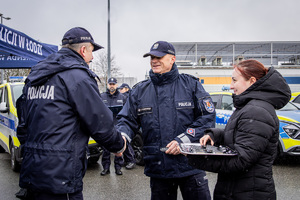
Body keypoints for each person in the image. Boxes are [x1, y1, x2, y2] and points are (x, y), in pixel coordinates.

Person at [16, 27, 126, 200]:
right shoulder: (77, 77)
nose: (92, 57)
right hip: (61, 177)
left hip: (32, 172)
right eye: (91, 51)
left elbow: (23, 125)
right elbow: (99, 122)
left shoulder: (36, 75)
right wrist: (119, 145)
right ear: (83, 50)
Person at [117, 41, 215, 200]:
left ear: (172, 59)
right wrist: (122, 137)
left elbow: (207, 117)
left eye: (159, 57)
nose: (154, 60)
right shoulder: (140, 90)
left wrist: (183, 140)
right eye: (151, 57)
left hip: (191, 166)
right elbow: (127, 120)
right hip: (159, 168)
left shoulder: (191, 85)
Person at [187, 60, 291, 200]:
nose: (230, 86)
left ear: (252, 81)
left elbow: (241, 160)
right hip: (240, 190)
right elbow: (240, 137)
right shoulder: (249, 106)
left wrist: (195, 157)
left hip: (248, 193)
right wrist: (215, 135)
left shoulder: (256, 111)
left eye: (235, 80)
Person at [100, 77, 128, 175]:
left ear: (116, 85)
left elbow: (126, 112)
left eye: (113, 84)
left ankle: (118, 168)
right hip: (106, 126)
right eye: (110, 84)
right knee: (106, 149)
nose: (112, 85)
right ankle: (106, 168)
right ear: (108, 85)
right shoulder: (102, 96)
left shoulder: (122, 97)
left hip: (118, 125)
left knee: (118, 147)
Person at [118, 83, 136, 169]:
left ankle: (131, 160)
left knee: (126, 143)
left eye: (121, 89)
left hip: (126, 121)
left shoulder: (128, 96)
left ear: (126, 89)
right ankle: (128, 160)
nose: (120, 91)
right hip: (123, 121)